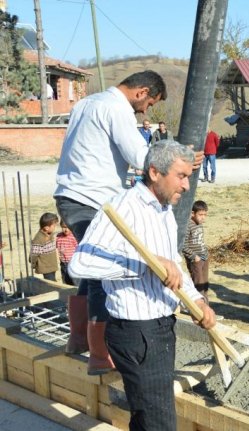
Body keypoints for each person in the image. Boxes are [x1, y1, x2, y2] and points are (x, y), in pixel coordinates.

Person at [69, 141, 217, 431]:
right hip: (136, 332)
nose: (186, 186)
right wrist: (142, 264)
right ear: (154, 171)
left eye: (188, 176)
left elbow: (172, 262)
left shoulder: (163, 211)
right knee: (158, 421)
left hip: (161, 326)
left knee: (149, 416)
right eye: (181, 176)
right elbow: (80, 264)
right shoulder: (123, 208)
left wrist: (196, 300)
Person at [54, 70, 169, 373]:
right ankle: (100, 356)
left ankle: (78, 339)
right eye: (150, 103)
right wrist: (175, 166)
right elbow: (141, 157)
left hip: (70, 196)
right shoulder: (117, 109)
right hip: (91, 200)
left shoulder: (88, 102)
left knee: (90, 269)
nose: (146, 110)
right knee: (103, 274)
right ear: (141, 92)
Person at [182, 200, 210, 301]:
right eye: (200, 214)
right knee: (198, 285)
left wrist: (206, 253)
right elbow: (183, 245)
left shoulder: (199, 224)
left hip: (204, 257)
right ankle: (200, 310)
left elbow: (199, 241)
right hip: (195, 260)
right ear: (193, 213)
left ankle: (206, 307)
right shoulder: (187, 226)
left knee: (204, 284)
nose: (203, 217)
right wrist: (195, 257)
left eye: (205, 214)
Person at [29, 213, 60, 281]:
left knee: (52, 281)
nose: (55, 227)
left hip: (51, 265)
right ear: (46, 228)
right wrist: (34, 264)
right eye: (54, 226)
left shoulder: (49, 233)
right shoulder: (39, 239)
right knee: (51, 283)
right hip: (46, 268)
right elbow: (33, 255)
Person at [55, 220, 78, 285]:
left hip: (72, 262)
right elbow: (57, 248)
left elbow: (77, 248)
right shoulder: (58, 236)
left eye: (68, 227)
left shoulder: (73, 236)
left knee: (74, 279)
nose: (66, 230)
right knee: (65, 279)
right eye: (64, 227)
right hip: (63, 263)